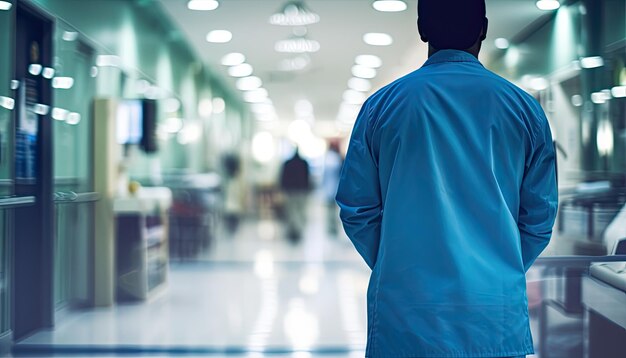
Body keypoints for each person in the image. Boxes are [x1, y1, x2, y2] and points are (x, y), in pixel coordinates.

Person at [335, 0, 558, 357]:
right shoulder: (523, 109)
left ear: (422, 29)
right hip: (493, 316)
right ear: (484, 29)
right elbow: (540, 218)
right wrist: (498, 265)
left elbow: (357, 209)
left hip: (406, 312)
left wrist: (398, 260)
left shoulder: (382, 106)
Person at [279, 147, 311, 242]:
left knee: (291, 211)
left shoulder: (287, 163)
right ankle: (297, 230)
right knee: (300, 211)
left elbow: (283, 177)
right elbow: (307, 177)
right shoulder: (304, 163)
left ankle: (293, 230)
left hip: (290, 190)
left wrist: (283, 188)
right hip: (301, 190)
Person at [322, 141, 343, 236]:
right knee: (334, 210)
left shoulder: (328, 159)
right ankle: (333, 227)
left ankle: (331, 227)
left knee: (330, 210)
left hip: (329, 189)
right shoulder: (338, 159)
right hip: (336, 188)